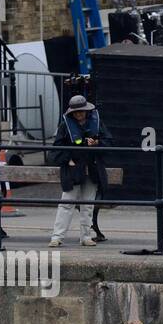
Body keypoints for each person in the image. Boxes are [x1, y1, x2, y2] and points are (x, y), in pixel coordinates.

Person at [50, 95, 112, 248]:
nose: (79, 114)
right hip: (73, 170)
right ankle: (57, 237)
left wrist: (97, 143)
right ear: (72, 113)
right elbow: (56, 149)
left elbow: (109, 142)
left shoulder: (97, 123)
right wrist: (68, 159)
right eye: (76, 112)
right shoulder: (65, 126)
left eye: (81, 111)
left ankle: (85, 237)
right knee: (66, 204)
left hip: (92, 168)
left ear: (86, 110)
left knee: (88, 204)